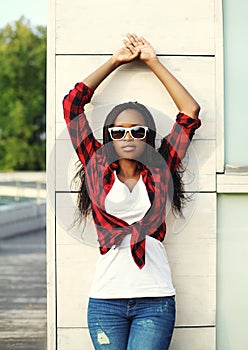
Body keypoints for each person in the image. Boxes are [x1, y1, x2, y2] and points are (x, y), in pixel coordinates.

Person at [63, 33, 201, 350]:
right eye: (119, 131)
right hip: (105, 300)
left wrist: (152, 61)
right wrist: (116, 60)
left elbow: (190, 112)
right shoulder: (96, 165)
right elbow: (72, 106)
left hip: (155, 299)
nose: (128, 136)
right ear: (109, 137)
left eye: (137, 131)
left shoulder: (161, 168)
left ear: (147, 137)